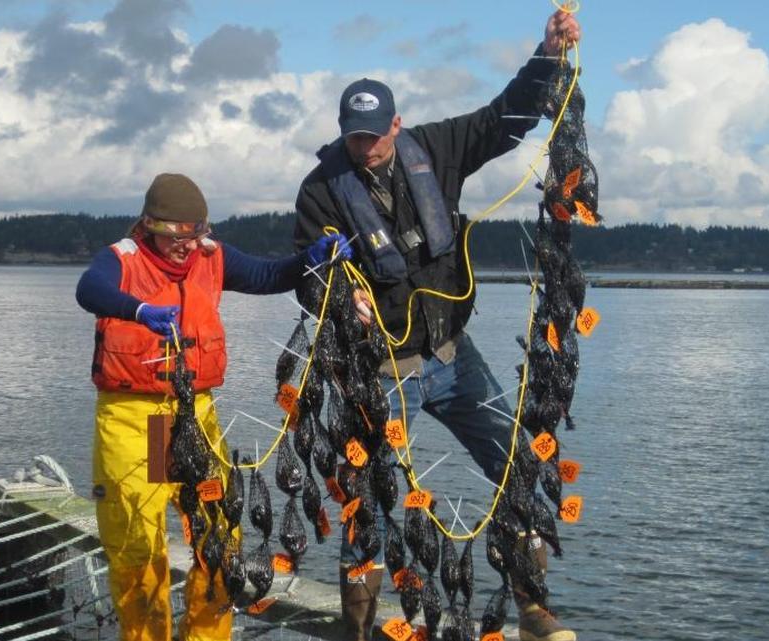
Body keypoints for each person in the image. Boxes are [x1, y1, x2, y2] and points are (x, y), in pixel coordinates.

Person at [292, 9, 582, 641]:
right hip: (385, 373)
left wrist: (547, 53)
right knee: (366, 494)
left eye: (373, 133)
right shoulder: (320, 191)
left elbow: (503, 118)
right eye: (353, 135)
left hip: (455, 354)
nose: (364, 146)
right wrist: (340, 302)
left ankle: (531, 607)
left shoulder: (437, 148)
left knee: (517, 463)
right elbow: (309, 277)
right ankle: (359, 626)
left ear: (395, 124)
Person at [77, 173, 349, 641]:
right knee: (138, 547)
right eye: (175, 237)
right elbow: (88, 290)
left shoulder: (210, 256)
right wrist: (138, 310)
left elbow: (267, 275)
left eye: (196, 234)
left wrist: (309, 260)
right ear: (149, 226)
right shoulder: (121, 259)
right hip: (133, 417)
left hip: (195, 413)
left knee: (220, 539)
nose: (187, 247)